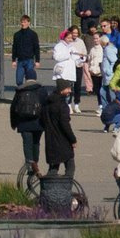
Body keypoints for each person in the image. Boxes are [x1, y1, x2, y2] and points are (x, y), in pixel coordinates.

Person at [40, 80, 77, 213]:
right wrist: (73, 139)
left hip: (50, 140)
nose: (69, 91)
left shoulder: (47, 104)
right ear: (62, 90)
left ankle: (49, 193)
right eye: (68, 89)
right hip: (63, 141)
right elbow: (65, 125)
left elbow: (42, 120)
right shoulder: (62, 106)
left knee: (53, 167)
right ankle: (66, 190)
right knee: (70, 165)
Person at [9, 77, 46, 176]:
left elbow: (13, 107)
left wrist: (13, 123)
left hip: (23, 122)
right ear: (35, 78)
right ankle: (35, 164)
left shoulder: (20, 90)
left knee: (27, 144)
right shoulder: (41, 90)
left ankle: (29, 165)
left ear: (26, 78)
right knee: (36, 143)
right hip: (38, 123)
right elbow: (46, 106)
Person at [10, 15, 40, 87]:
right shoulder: (17, 35)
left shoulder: (33, 34)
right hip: (20, 61)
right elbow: (14, 47)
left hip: (29, 60)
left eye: (25, 22)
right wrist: (13, 60)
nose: (23, 24)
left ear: (29, 23)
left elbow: (36, 48)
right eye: (22, 22)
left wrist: (37, 61)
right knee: (19, 80)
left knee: (29, 80)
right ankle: (21, 93)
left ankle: (28, 94)